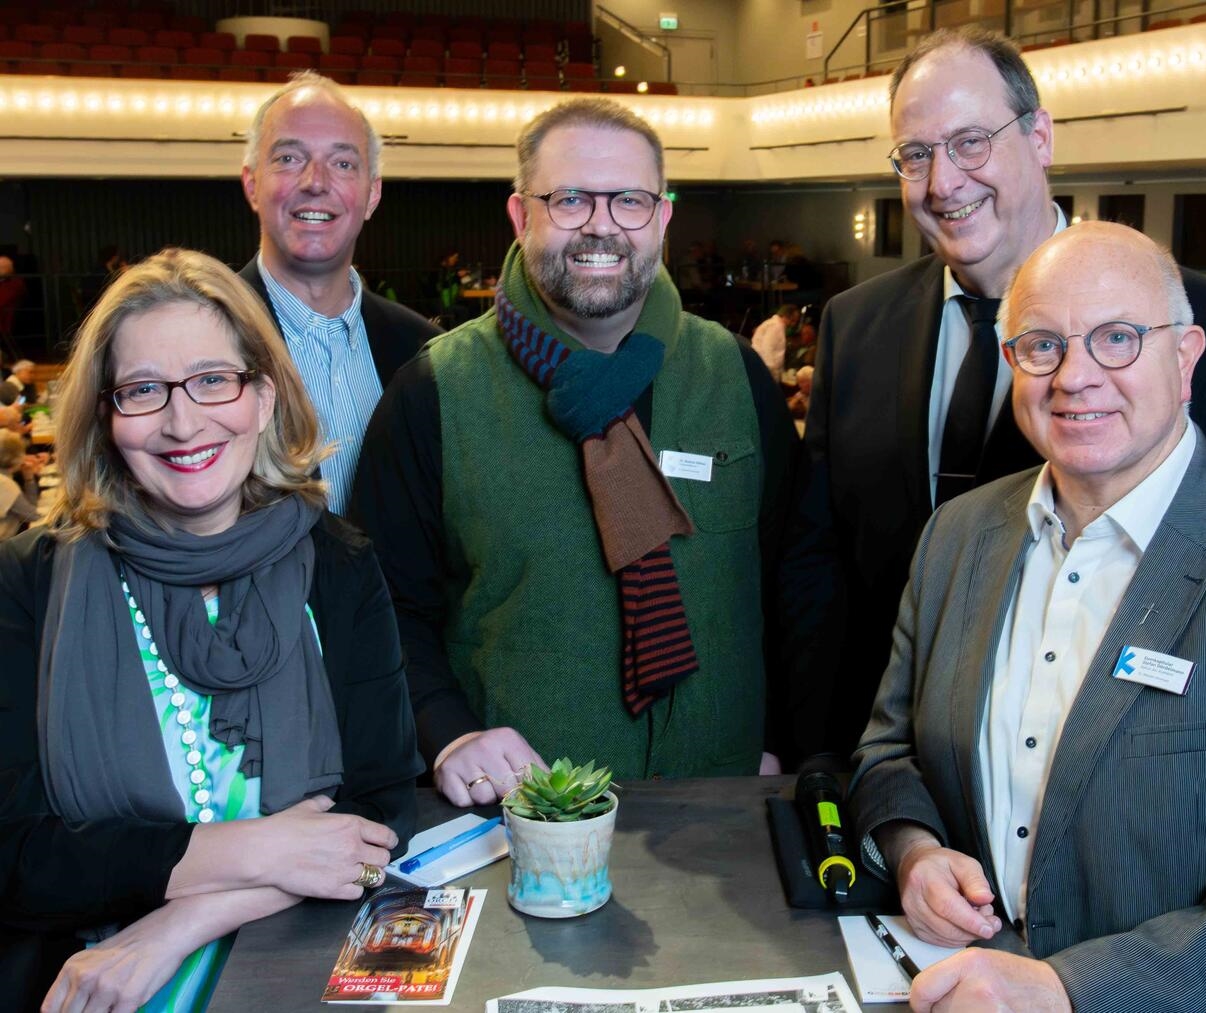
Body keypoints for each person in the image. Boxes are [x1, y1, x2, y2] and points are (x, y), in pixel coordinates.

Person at [849, 221, 1206, 1012]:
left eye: (1117, 337)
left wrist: (1069, 989)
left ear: (1186, 357)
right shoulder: (957, 535)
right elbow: (888, 749)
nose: (1075, 376)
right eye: (1041, 344)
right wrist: (913, 851)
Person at [783, 26, 1206, 763]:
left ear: (1039, 137)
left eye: (971, 141)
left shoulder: (1184, 315)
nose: (944, 182)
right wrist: (814, 746)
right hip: (880, 751)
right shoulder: (858, 322)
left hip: (1102, 761)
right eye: (916, 155)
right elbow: (819, 556)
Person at [0, 249, 421, 1010]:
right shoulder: (25, 582)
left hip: (308, 973)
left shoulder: (341, 565)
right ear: (105, 414)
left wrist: (180, 922)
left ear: (262, 396)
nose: (183, 420)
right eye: (142, 390)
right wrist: (253, 847)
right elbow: (15, 857)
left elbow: (382, 816)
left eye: (211, 380)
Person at [351, 98, 797, 805]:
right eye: (569, 200)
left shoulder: (735, 376)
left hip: (723, 808)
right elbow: (379, 604)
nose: (600, 225)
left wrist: (788, 737)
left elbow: (798, 580)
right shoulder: (433, 391)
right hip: (518, 814)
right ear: (520, 214)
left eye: (628, 201)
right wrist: (448, 730)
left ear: (662, 218)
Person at [239, 71, 439, 516]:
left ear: (372, 195)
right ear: (252, 185)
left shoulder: (424, 352)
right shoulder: (205, 336)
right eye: (289, 158)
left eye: (343, 163)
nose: (316, 181)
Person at [0, 430, 37, 538]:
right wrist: (30, 481)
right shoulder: (5, 485)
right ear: (16, 458)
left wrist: (28, 478)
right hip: (5, 547)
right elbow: (33, 515)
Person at [750, 303, 800, 383]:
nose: (794, 324)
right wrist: (770, 375)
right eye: (794, 320)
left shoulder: (774, 324)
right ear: (788, 316)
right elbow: (768, 349)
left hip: (764, 370)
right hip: (766, 372)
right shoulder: (776, 326)